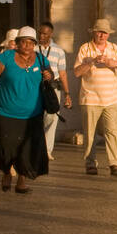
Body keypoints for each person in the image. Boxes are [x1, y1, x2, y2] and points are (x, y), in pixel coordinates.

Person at [0, 26, 51, 193]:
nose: (27, 46)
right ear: (17, 43)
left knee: (26, 148)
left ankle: (21, 180)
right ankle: (7, 171)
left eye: (31, 43)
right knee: (8, 145)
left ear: (35, 44)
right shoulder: (5, 58)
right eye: (24, 42)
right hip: (5, 111)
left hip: (32, 113)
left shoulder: (42, 60)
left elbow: (48, 76)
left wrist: (48, 76)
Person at [73, 18, 117, 176]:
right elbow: (77, 72)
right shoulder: (85, 48)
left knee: (112, 132)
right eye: (99, 32)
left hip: (111, 98)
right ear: (94, 32)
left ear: (109, 34)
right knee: (90, 133)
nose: (102, 35)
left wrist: (115, 63)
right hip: (90, 98)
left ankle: (115, 164)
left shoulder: (114, 48)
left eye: (105, 32)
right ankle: (90, 164)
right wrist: (91, 62)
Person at [36, 21, 71, 160]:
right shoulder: (33, 48)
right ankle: (38, 147)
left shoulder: (59, 51)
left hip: (52, 87)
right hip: (36, 87)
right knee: (37, 117)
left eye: (44, 33)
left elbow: (62, 73)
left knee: (52, 117)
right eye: (40, 33)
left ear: (51, 34)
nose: (41, 36)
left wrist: (67, 94)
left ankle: (47, 150)